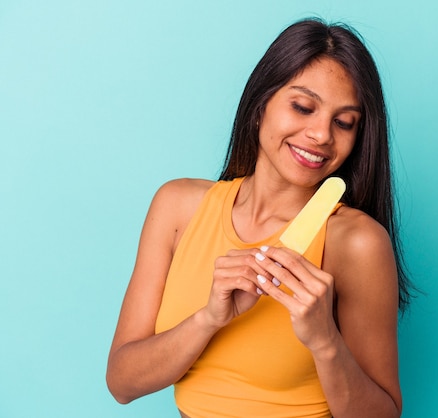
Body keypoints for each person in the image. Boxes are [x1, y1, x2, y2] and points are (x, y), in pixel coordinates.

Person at [106, 17, 412, 418]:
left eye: (343, 122)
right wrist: (209, 319)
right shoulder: (177, 207)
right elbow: (122, 383)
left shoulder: (357, 243)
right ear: (258, 106)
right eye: (303, 107)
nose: (322, 134)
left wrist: (324, 340)